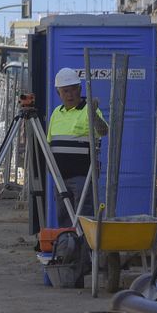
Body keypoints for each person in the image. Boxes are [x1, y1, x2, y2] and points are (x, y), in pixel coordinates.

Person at [47, 67, 110, 228]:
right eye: (65, 91)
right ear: (58, 93)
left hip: (82, 176)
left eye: (73, 89)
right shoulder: (56, 113)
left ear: (80, 89)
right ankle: (68, 243)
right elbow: (50, 143)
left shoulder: (89, 109)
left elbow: (104, 131)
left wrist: (93, 115)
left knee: (84, 216)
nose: (70, 94)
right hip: (60, 177)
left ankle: (84, 244)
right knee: (64, 216)